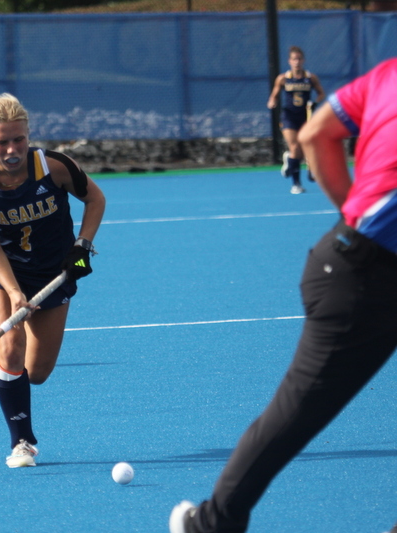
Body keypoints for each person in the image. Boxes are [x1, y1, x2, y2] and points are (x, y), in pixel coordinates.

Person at [169, 58, 397, 533]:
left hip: (354, 257)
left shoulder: (388, 73)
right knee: (297, 412)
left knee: (296, 412)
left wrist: (353, 215)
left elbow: (318, 135)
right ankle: (212, 525)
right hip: (363, 278)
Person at [0, 93, 106, 468]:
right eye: (1, 142)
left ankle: (14, 384)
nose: (11, 149)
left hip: (54, 271)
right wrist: (13, 293)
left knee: (37, 373)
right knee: (9, 348)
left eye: (19, 139)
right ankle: (21, 442)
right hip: (6, 272)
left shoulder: (54, 167)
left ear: (28, 135)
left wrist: (83, 246)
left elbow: (96, 200)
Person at [267, 46, 325, 195]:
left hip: (305, 117)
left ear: (303, 60)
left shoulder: (310, 78)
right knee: (295, 147)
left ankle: (290, 162)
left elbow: (321, 94)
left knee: (301, 151)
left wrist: (315, 103)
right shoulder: (283, 78)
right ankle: (296, 184)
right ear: (289, 61)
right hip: (289, 117)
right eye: (294, 59)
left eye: (299, 59)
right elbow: (274, 94)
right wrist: (272, 101)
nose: (297, 62)